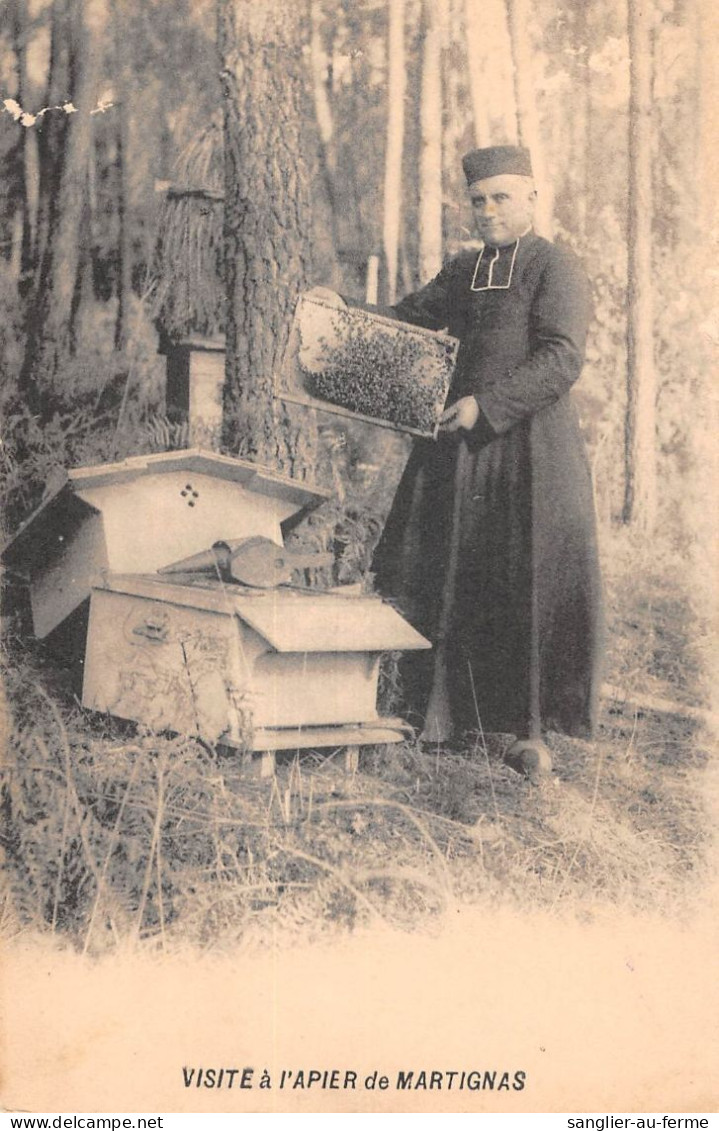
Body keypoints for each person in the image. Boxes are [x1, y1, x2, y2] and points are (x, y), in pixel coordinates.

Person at [371, 145, 603, 780]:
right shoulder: (463, 271)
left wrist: (489, 405)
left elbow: (561, 359)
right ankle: (442, 718)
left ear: (531, 197)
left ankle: (530, 733)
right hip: (456, 451)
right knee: (445, 571)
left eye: (501, 197)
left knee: (521, 581)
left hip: (531, 453)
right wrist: (340, 308)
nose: (488, 210)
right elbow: (404, 320)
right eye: (478, 200)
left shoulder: (555, 267)